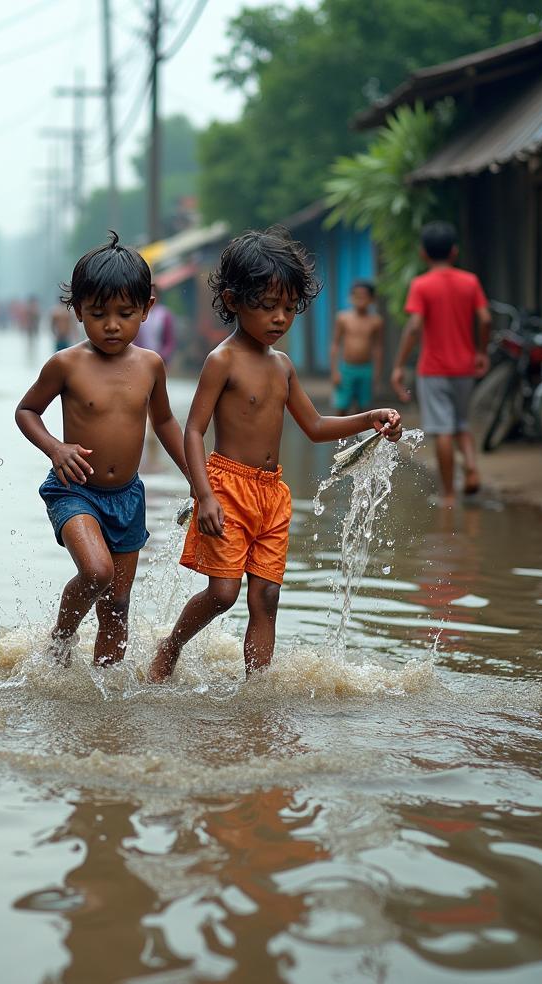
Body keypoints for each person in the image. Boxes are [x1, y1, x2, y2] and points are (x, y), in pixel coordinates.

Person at [149, 228, 403, 682]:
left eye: (288, 308)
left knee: (265, 598)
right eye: (267, 306)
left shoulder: (283, 366)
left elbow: (316, 427)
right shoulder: (222, 361)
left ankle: (258, 693)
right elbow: (193, 430)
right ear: (232, 300)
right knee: (224, 593)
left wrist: (369, 419)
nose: (279, 318)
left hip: (272, 496)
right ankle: (171, 646)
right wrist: (203, 494)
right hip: (226, 488)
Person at [16, 232, 190, 666]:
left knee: (117, 605)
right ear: (77, 311)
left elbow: (165, 421)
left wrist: (197, 479)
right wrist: (55, 448)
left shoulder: (150, 365)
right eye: (98, 314)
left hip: (128, 497)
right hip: (75, 490)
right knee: (96, 572)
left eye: (125, 313)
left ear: (147, 309)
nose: (112, 325)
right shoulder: (66, 364)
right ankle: (62, 635)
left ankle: (107, 707)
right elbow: (26, 412)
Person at [391, 221, 491, 506]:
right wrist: (481, 352)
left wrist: (398, 365)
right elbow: (485, 319)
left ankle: (448, 493)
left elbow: (413, 327)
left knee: (442, 429)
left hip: (434, 369)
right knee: (461, 422)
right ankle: (471, 468)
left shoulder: (421, 285)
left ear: (423, 253)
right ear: (454, 251)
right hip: (465, 366)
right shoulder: (470, 281)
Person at [330, 280, 383, 415]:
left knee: (364, 410)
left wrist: (376, 374)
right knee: (341, 407)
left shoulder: (376, 321)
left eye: (364, 296)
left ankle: (360, 436)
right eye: (356, 296)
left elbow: (377, 348)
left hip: (366, 369)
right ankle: (340, 436)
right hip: (346, 369)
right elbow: (335, 344)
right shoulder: (343, 318)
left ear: (371, 299)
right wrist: (335, 371)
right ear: (351, 297)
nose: (360, 300)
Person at [134, 282, 176, 364]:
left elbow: (169, 340)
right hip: (140, 358)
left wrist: (162, 355)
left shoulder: (164, 314)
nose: (151, 297)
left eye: (153, 294)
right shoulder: (139, 312)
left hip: (159, 358)